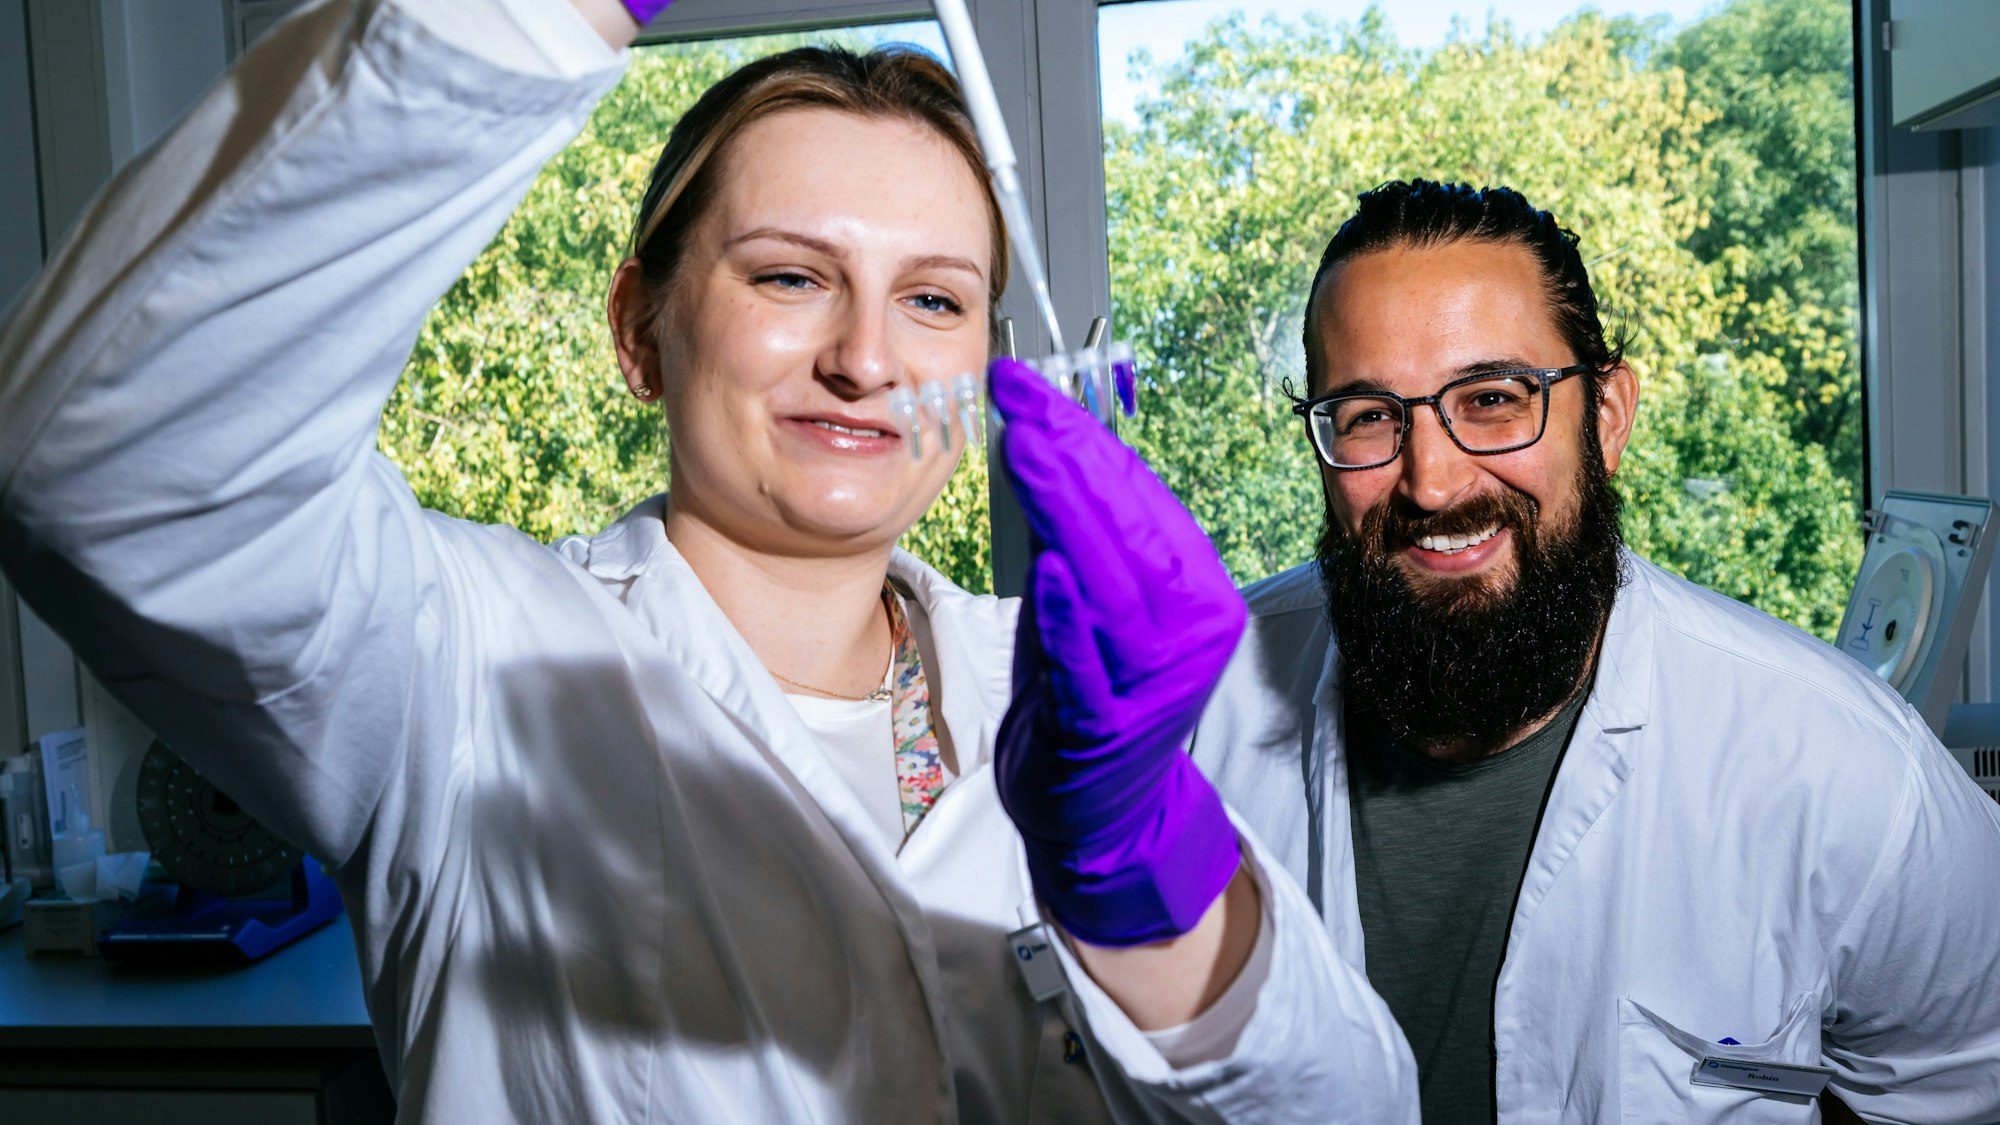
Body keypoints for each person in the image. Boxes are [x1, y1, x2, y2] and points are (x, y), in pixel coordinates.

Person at [0, 0, 1418, 1120]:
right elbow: (104, 466)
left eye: (933, 299)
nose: (866, 359)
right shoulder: (463, 665)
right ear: (642, 328)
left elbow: (1358, 1109)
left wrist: (1144, 877)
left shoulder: (1072, 699)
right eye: (791, 275)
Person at [1190, 178, 2000, 1123]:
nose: (1434, 482)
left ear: (1607, 416)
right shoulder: (1186, 716)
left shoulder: (1840, 766)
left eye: (1493, 398)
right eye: (1370, 415)